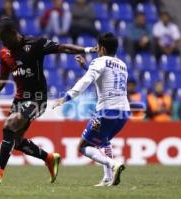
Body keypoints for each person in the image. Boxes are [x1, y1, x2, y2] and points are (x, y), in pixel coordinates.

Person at [0, 17, 96, 184]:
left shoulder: (35, 44)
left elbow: (62, 48)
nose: (2, 43)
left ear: (12, 33)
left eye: (3, 38)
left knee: (9, 125)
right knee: (15, 142)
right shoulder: (5, 53)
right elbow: (2, 80)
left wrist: (88, 50)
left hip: (37, 99)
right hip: (19, 100)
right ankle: (49, 159)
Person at [53, 33, 130, 186]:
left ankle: (113, 164)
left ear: (100, 48)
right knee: (104, 141)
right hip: (124, 112)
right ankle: (108, 178)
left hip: (107, 111)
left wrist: (66, 97)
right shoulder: (122, 64)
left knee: (83, 146)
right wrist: (86, 67)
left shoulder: (99, 61)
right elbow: (106, 78)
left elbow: (85, 81)